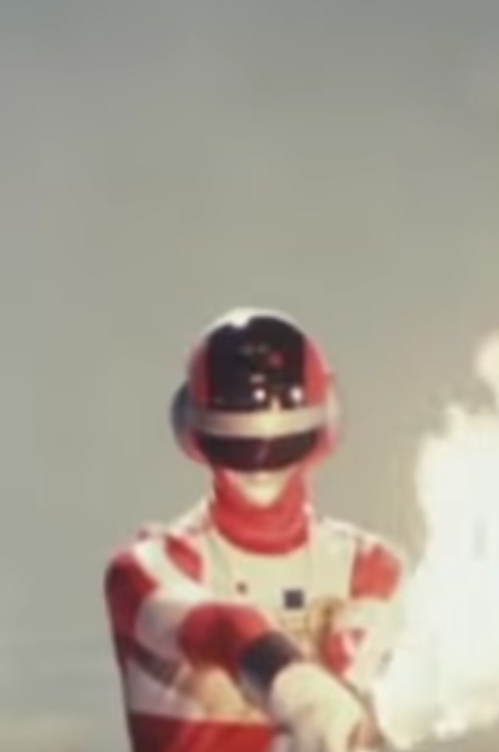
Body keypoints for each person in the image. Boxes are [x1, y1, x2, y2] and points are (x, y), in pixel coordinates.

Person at [103, 308, 408, 752]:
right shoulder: (147, 568)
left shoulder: (371, 566)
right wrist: (308, 699)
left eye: (283, 443)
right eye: (235, 445)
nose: (259, 467)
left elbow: (364, 666)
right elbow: (223, 628)